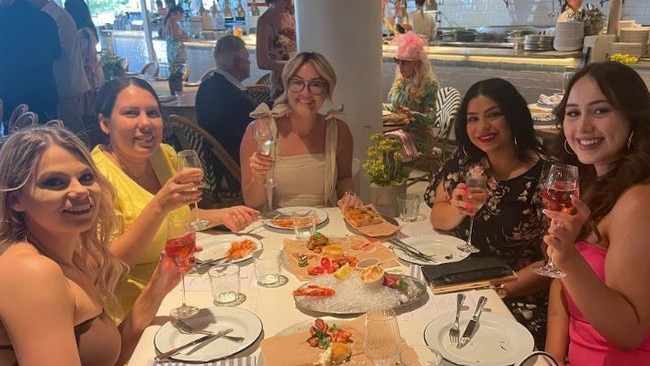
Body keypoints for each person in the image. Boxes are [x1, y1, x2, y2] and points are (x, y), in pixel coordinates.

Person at [0, 126, 180, 365]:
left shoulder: (73, 257)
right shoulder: (31, 272)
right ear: (16, 199)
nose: (79, 191)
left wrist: (158, 285)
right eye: (54, 182)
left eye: (85, 177)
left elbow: (112, 357)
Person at [91, 77, 258, 311]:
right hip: (137, 307)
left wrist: (222, 215)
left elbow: (175, 219)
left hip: (185, 285)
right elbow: (109, 266)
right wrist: (159, 205)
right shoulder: (94, 178)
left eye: (152, 113)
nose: (146, 123)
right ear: (105, 123)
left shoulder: (164, 155)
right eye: (131, 113)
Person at [426, 78, 551, 349]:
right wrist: (457, 209)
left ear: (513, 115)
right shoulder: (465, 161)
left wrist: (499, 287)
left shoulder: (544, 178)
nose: (482, 127)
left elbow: (554, 263)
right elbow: (437, 217)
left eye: (493, 115)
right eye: (473, 118)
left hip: (515, 295)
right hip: (461, 281)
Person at [544, 62, 650, 365]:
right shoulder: (591, 184)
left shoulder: (638, 202)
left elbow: (629, 333)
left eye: (600, 110)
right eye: (573, 113)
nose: (583, 126)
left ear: (633, 119)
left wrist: (567, 258)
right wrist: (551, 358)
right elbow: (560, 285)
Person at [241, 52, 362, 210]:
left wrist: (349, 196)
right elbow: (252, 203)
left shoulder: (339, 130)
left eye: (316, 85)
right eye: (297, 83)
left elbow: (344, 179)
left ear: (327, 90)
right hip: (275, 226)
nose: (306, 93)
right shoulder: (259, 131)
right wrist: (258, 178)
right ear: (287, 87)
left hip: (325, 227)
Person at [196, 35, 256, 199]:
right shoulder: (237, 99)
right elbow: (256, 135)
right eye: (247, 58)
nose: (250, 63)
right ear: (238, 62)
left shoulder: (207, 85)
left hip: (212, 166)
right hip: (231, 171)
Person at [28, 0, 90, 134]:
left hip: (66, 82)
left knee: (72, 129)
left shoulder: (56, 16)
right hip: (64, 82)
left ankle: (82, 153)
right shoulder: (54, 15)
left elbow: (62, 51)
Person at [0, 0, 60, 127]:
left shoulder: (3, 21)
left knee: (15, 138)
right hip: (43, 92)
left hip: (10, 95)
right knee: (47, 136)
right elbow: (57, 53)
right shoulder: (45, 19)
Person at [384, 31, 438, 157]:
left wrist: (413, 115)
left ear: (417, 64)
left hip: (420, 135)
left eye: (405, 62)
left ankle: (392, 175)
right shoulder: (401, 82)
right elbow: (396, 108)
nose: (400, 66)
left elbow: (432, 118)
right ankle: (387, 174)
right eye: (398, 61)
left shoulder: (429, 85)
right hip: (399, 130)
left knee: (388, 141)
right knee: (376, 136)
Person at [65, 0, 106, 146]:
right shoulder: (89, 31)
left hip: (87, 81)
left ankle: (95, 148)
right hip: (93, 79)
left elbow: (84, 60)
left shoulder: (83, 33)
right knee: (91, 117)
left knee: (89, 119)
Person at [255, 0, 296, 99]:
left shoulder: (293, 13)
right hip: (282, 82)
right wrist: (294, 64)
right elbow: (262, 62)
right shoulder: (265, 21)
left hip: (300, 76)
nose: (289, 1)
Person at [163, 5, 187, 94]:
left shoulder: (168, 21)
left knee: (175, 69)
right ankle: (177, 91)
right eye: (181, 14)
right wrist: (184, 36)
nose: (181, 17)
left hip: (171, 49)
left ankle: (175, 91)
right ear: (177, 13)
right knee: (177, 71)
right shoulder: (172, 21)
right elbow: (175, 36)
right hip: (176, 50)